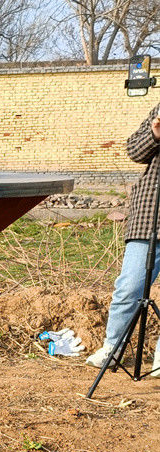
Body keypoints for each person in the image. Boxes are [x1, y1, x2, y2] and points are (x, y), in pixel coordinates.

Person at [86, 103, 160, 376]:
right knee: (129, 287)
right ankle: (113, 348)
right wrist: (155, 133)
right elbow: (134, 151)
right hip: (150, 217)